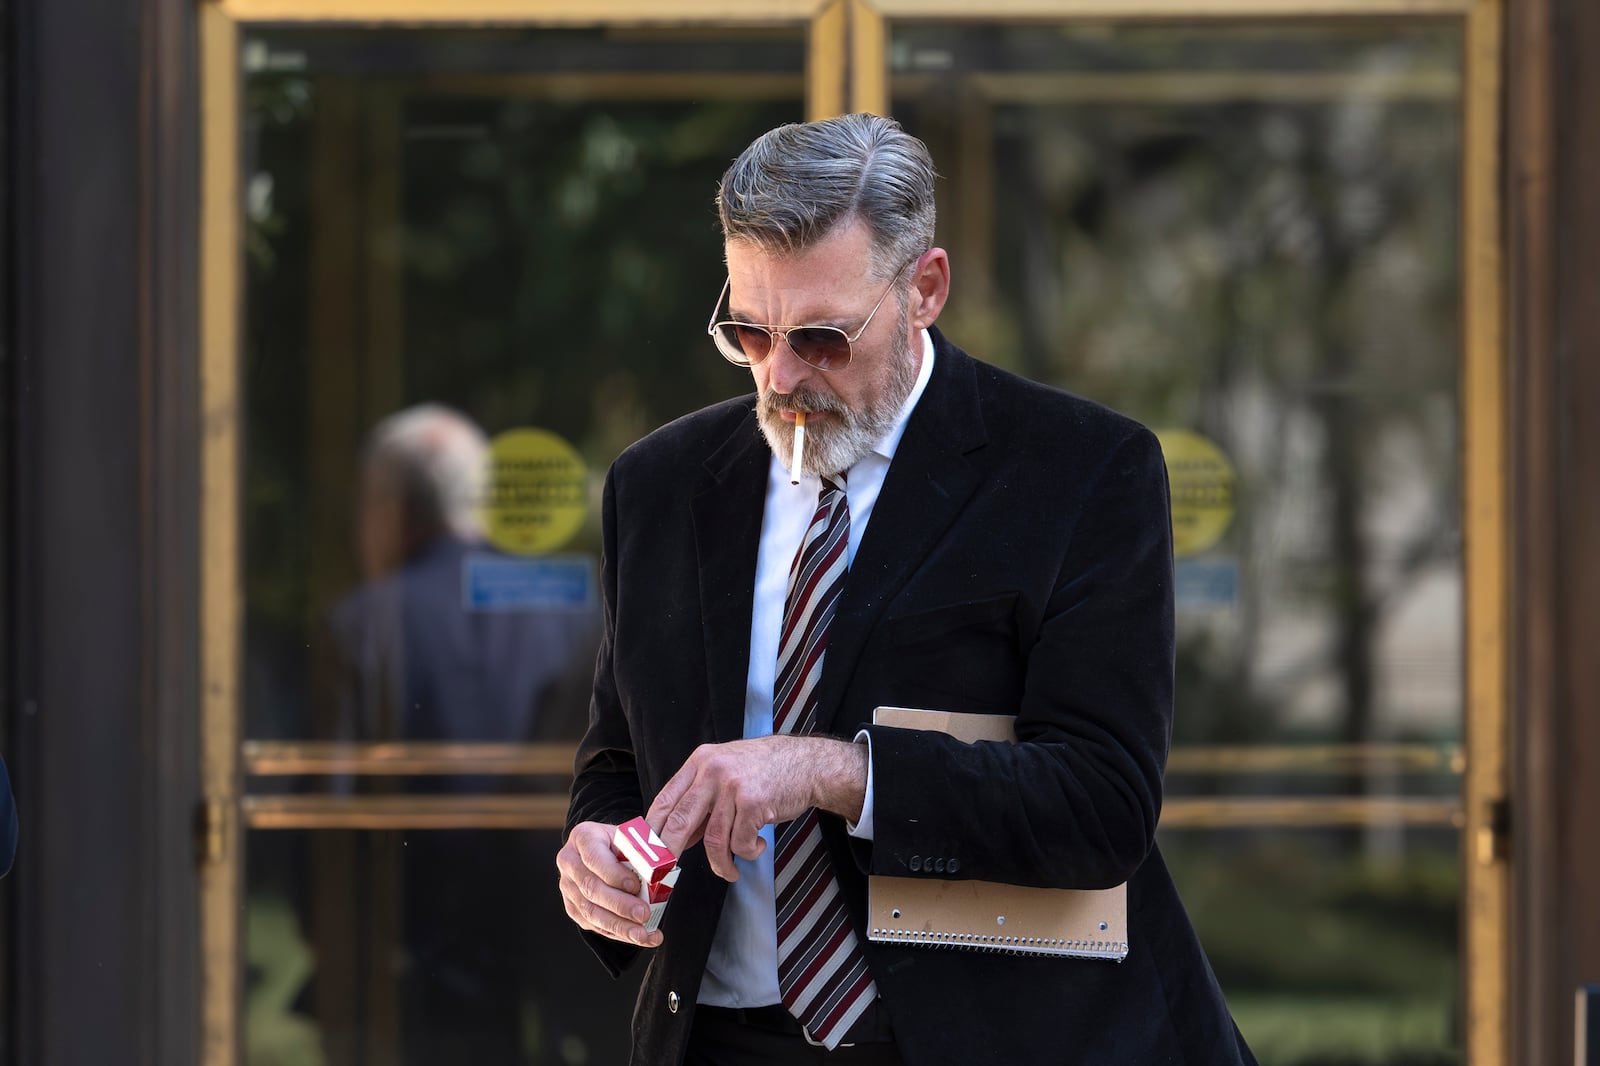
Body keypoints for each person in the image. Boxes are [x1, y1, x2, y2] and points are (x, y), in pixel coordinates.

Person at [558, 114, 1256, 1065]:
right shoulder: (661, 483)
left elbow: (1103, 804)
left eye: (822, 337)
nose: (781, 377)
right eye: (748, 333)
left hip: (991, 1036)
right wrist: (597, 853)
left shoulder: (1081, 470)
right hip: (715, 1036)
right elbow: (617, 765)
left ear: (924, 288)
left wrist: (829, 771)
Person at [317, 403, 609, 1064]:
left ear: (392, 507)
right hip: (558, 954)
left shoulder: (362, 624)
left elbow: (327, 822)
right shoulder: (573, 603)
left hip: (413, 970)